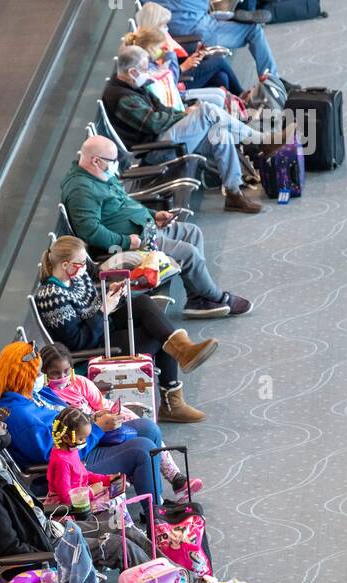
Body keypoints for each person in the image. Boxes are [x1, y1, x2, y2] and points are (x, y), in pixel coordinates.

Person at [62, 137, 254, 321]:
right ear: (95, 160)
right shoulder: (82, 191)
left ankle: (197, 298)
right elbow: (91, 232)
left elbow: (126, 203)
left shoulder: (100, 175)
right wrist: (127, 241)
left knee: (192, 232)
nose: (116, 165)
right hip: (129, 245)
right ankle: (216, 296)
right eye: (112, 161)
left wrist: (153, 215)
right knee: (188, 253)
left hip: (145, 231)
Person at [0, 399, 151, 573]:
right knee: (120, 547)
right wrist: (53, 555)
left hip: (51, 527)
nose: (4, 426)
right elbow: (8, 549)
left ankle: (175, 574)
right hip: (47, 546)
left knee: (124, 528)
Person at [35, 235, 217, 424]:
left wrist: (110, 294)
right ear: (65, 265)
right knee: (159, 338)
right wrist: (104, 309)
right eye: (81, 262)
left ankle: (184, 351)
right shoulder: (51, 297)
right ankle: (173, 402)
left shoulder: (74, 277)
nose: (85, 266)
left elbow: (89, 309)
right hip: (94, 344)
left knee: (144, 304)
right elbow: (78, 341)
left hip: (102, 327)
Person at [0, 340, 164, 506]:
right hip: (69, 467)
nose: (42, 377)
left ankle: (157, 502)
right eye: (38, 373)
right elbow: (54, 453)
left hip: (80, 443)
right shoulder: (21, 416)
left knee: (148, 429)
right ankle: (155, 520)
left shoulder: (29, 393)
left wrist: (94, 418)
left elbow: (67, 413)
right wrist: (97, 429)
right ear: (23, 376)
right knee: (143, 449)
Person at [103, 47, 264, 212]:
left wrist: (183, 114)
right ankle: (259, 142)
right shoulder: (120, 96)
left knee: (220, 134)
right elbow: (153, 122)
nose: (148, 73)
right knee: (206, 110)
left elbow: (161, 108)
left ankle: (234, 194)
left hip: (164, 138)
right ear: (132, 72)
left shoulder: (132, 84)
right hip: (155, 151)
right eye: (145, 69)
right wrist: (184, 115)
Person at [38, 342, 203, 494]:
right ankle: (154, 509)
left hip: (102, 430)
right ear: (44, 374)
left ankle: (175, 480)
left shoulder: (80, 383)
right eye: (55, 374)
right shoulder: (46, 396)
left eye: (66, 371)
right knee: (142, 447)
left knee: (149, 428)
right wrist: (97, 425)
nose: (62, 377)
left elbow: (102, 405)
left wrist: (115, 416)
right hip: (84, 444)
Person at [135, 5, 245, 96]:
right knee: (218, 61)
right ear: (153, 28)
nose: (167, 28)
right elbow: (165, 83)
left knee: (222, 77)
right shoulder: (145, 54)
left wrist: (190, 59)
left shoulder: (152, 43)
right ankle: (242, 96)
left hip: (178, 73)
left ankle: (240, 106)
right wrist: (184, 66)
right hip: (176, 86)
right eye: (163, 26)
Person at [163, 0, 280, 81]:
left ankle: (232, 17)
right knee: (254, 32)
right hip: (198, 30)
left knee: (215, 16)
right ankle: (271, 79)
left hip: (178, 28)